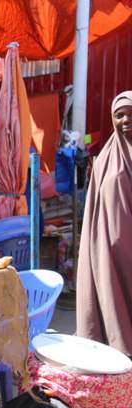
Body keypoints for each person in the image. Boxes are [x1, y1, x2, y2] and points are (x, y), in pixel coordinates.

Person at [77, 91, 132, 356]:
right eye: (119, 115)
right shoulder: (104, 160)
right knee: (115, 306)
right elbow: (94, 212)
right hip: (110, 252)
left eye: (131, 115)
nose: (126, 121)